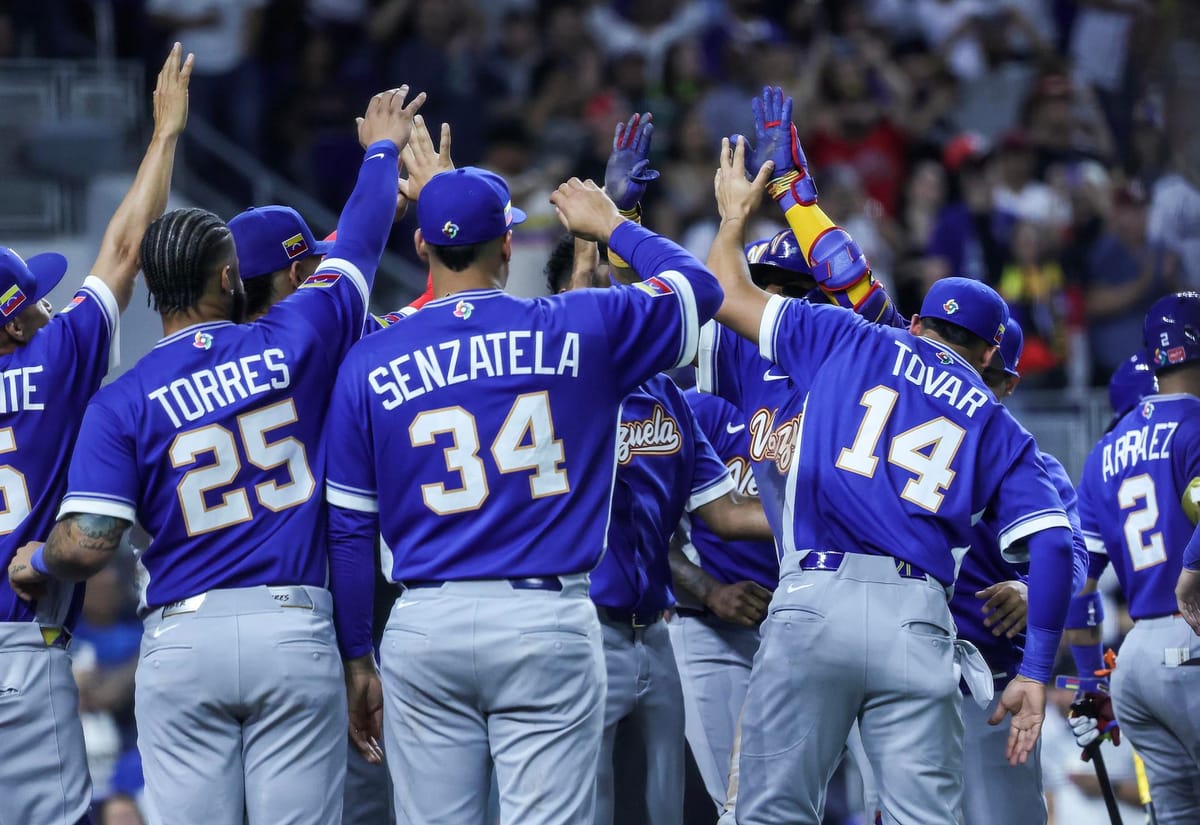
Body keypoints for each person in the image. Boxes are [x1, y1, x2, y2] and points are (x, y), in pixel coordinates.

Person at [9, 85, 426, 825]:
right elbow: (359, 242)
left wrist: (40, 558)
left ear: (152, 293)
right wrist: (382, 153)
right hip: (293, 624)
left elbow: (90, 542)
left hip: (182, 636)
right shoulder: (299, 336)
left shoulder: (122, 400)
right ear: (229, 279)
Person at [705, 87, 1076, 825]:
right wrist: (1039, 663)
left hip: (831, 606)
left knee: (774, 811)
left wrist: (778, 200)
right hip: (923, 629)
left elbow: (837, 274)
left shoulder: (867, 342)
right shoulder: (1004, 431)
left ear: (916, 323)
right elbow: (1062, 548)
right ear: (995, 362)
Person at [321, 161, 726, 823]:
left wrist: (356, 655)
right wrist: (614, 226)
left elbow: (347, 529)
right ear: (508, 244)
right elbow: (700, 288)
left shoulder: (370, 357)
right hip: (545, 620)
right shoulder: (580, 324)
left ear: (421, 246)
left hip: (426, 622)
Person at [0, 43, 191, 825]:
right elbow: (123, 247)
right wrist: (165, 135)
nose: (48, 306)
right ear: (14, 322)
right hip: (20, 650)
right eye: (36, 300)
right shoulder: (54, 357)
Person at [575, 113, 772, 825]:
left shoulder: (674, 401)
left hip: (654, 630)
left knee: (667, 811)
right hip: (582, 624)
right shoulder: (570, 386)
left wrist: (830, 508)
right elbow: (589, 296)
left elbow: (724, 516)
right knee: (583, 810)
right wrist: (606, 222)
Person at [955, 318, 1090, 825]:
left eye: (984, 379)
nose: (967, 391)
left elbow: (1073, 554)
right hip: (903, 677)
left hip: (988, 685)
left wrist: (1035, 589)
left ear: (1009, 384)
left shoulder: (1034, 467)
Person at [1074, 292, 1200, 825]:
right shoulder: (1194, 422)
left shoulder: (1102, 453)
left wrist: (1089, 684)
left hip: (1135, 662)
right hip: (1191, 640)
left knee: (1174, 816)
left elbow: (1078, 585)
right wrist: (1191, 570)